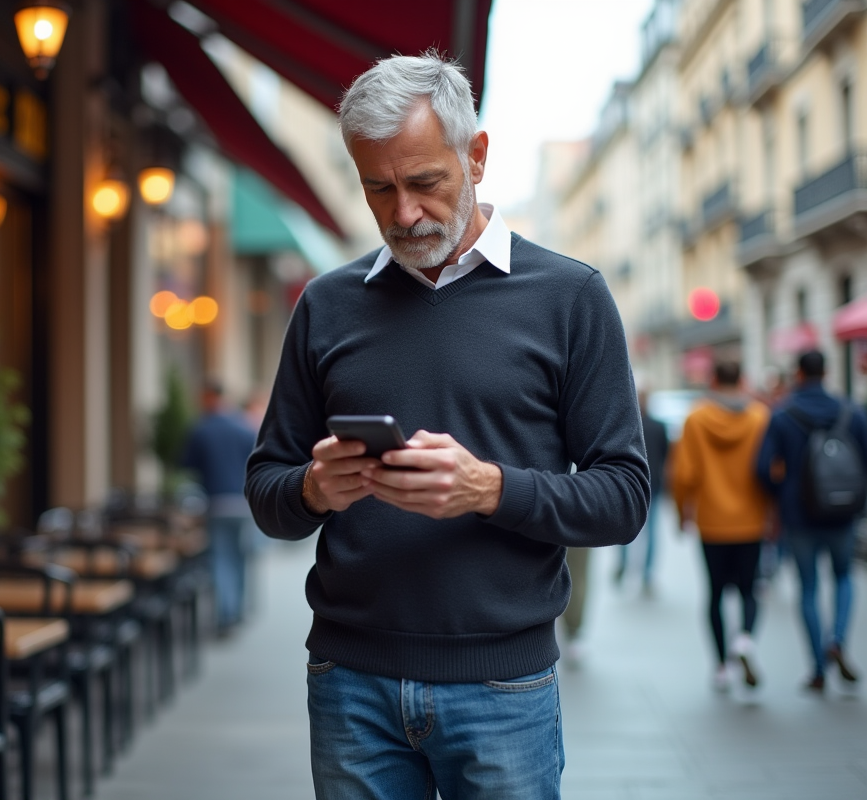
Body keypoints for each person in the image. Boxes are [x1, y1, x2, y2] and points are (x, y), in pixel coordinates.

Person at [245, 52, 649, 799]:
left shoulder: (571, 297)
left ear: (477, 156)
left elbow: (623, 498)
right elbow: (267, 493)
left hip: (504, 686)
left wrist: (489, 488)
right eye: (379, 188)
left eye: (425, 182)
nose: (403, 213)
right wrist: (314, 488)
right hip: (348, 684)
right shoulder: (325, 305)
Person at [756, 350, 867, 691]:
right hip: (842, 513)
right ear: (827, 372)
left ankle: (818, 667)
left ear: (798, 374)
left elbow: (761, 467)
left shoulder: (783, 414)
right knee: (845, 576)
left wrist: (782, 493)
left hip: (800, 515)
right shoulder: (850, 411)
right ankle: (838, 640)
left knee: (808, 588)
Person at [671, 361, 771, 691]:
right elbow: (771, 469)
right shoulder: (759, 417)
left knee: (714, 593)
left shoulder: (697, 418)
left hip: (711, 521)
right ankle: (744, 640)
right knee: (749, 588)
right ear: (742, 379)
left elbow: (684, 473)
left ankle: (720, 666)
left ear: (713, 380)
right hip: (751, 520)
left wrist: (681, 512)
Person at [181, 380, 258, 634]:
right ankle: (238, 608)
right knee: (240, 557)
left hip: (216, 503)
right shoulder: (244, 428)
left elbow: (186, 465)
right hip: (244, 503)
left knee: (221, 558)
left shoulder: (201, 429)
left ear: (208, 397)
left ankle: (226, 614)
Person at [616, 390, 669, 594]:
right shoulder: (657, 426)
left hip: (633, 485)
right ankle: (645, 574)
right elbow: (667, 457)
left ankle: (627, 566)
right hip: (650, 484)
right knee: (649, 532)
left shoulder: (626, 425)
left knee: (625, 528)